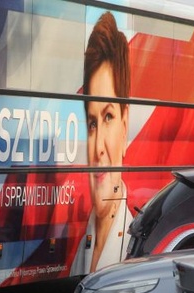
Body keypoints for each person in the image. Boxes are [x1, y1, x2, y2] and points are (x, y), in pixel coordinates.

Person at [70, 11, 132, 275]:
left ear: (125, 127)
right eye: (92, 123)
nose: (97, 149)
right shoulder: (79, 256)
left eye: (108, 116)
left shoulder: (133, 247)